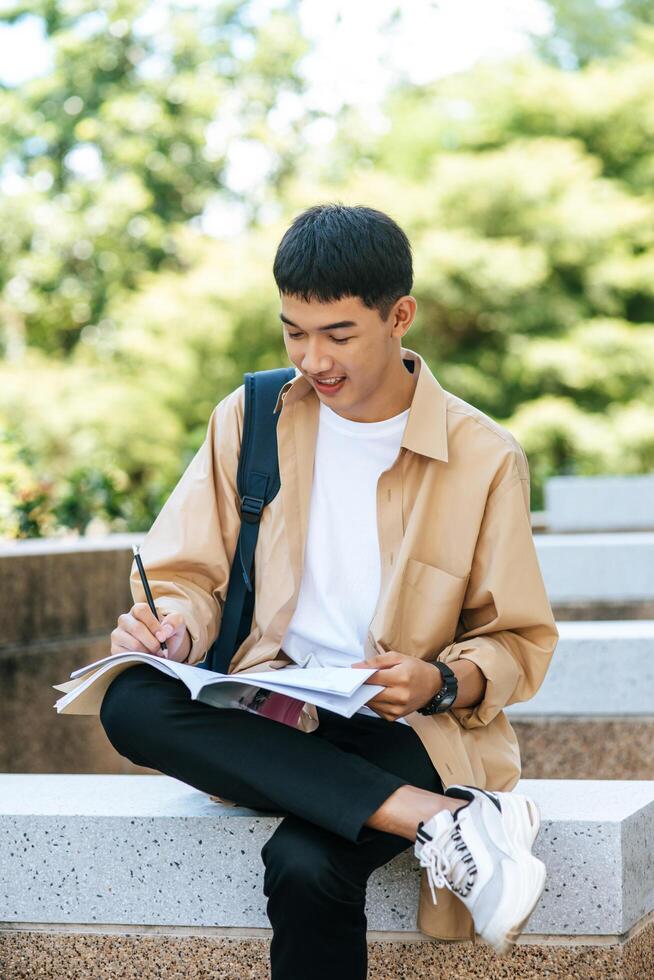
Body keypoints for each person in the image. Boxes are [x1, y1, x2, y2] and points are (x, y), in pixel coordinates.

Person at [100, 203, 559, 978]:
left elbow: (517, 640)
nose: (314, 359)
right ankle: (447, 822)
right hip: (273, 708)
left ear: (399, 317)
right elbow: (188, 575)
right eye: (294, 331)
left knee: (307, 867)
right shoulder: (250, 418)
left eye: (339, 334)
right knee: (130, 699)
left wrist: (439, 680)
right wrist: (174, 628)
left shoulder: (483, 458)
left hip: (403, 728)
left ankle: (443, 804)